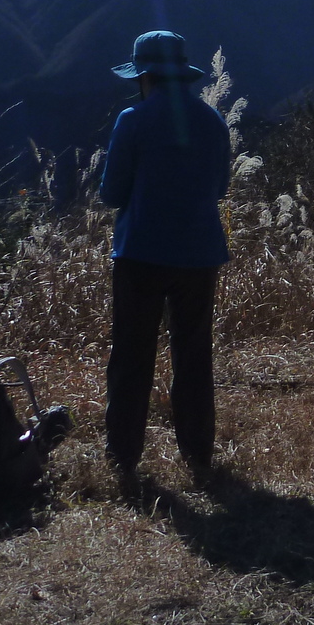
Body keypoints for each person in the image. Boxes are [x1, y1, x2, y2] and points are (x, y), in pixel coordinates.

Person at [99, 30, 231, 481]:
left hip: (141, 253)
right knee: (194, 354)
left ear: (145, 76)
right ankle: (198, 455)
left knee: (132, 357)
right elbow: (220, 188)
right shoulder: (213, 121)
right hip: (200, 254)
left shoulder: (132, 119)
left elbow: (112, 194)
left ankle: (122, 459)